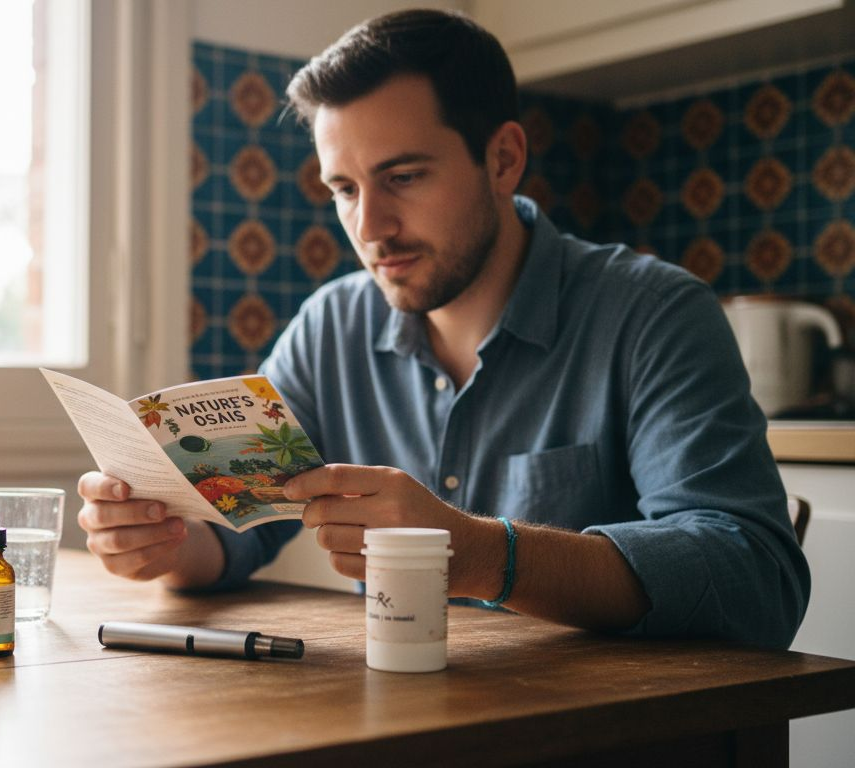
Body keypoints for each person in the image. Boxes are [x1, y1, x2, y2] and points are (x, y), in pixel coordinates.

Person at [76, 8, 809, 648]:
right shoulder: (330, 326)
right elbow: (235, 530)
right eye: (344, 189)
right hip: (397, 723)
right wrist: (161, 541)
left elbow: (757, 580)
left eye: (403, 177)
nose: (371, 227)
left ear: (503, 159)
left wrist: (485, 555)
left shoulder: (655, 315)